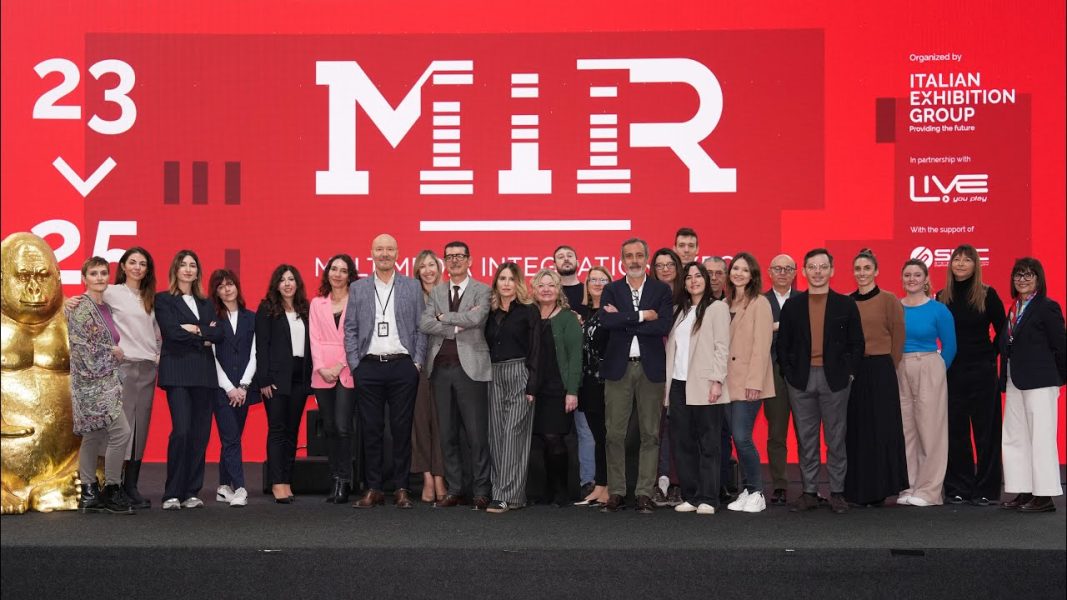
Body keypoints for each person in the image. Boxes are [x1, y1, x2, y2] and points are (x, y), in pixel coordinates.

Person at [777, 248, 864, 514]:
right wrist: (789, 374)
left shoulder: (846, 304)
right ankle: (809, 492)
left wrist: (850, 373)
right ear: (804, 272)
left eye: (823, 267)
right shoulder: (792, 306)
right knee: (806, 440)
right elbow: (783, 345)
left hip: (835, 380)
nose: (817, 272)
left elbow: (857, 343)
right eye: (812, 267)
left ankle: (837, 492)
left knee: (836, 439)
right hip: (800, 381)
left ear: (832, 270)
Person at [345, 234, 427, 509]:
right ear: (371, 252)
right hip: (368, 367)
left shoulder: (412, 286)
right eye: (379, 249)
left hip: (402, 365)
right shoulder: (358, 288)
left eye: (389, 249)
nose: (384, 253)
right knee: (371, 430)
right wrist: (355, 365)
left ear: (397, 253)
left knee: (401, 430)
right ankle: (374, 488)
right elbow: (351, 328)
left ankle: (402, 488)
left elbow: (421, 328)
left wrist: (416, 362)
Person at [599, 238, 673, 514]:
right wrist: (643, 316)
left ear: (647, 258)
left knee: (650, 434)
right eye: (628, 255)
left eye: (639, 255)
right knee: (614, 434)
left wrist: (625, 319)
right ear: (621, 260)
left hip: (650, 369)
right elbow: (606, 321)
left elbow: (663, 325)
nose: (634, 260)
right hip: (618, 369)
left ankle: (644, 492)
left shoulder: (661, 290)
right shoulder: (611, 289)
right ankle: (617, 492)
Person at [420, 241, 492, 510]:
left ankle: (481, 490)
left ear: (469, 260)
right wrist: (455, 325)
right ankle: (455, 489)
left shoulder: (482, 290)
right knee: (447, 434)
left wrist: (443, 317)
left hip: (470, 370)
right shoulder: (437, 291)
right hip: (440, 371)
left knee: (476, 435)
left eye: (460, 256)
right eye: (449, 257)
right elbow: (425, 323)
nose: (454, 260)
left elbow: (476, 319)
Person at [936, 245, 1007, 506]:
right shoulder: (941, 296)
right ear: (950, 264)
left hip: (982, 372)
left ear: (976, 265)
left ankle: (986, 489)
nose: (961, 263)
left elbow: (1004, 331)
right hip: (952, 372)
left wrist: (989, 355)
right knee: (955, 432)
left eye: (967, 260)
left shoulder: (988, 294)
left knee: (986, 433)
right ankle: (958, 487)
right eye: (957, 259)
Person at [155, 250, 224, 511]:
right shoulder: (164, 299)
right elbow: (172, 333)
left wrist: (193, 329)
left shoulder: (207, 303)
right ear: (175, 270)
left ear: (197, 272)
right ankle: (172, 493)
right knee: (182, 431)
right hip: (177, 373)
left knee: (200, 435)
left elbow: (219, 334)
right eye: (183, 265)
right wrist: (202, 334)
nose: (188, 269)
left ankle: (191, 492)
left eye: (192, 265)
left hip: (204, 375)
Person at [998, 258, 1065, 513]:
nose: (1022, 279)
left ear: (1039, 279)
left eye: (1028, 275)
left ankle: (1044, 496)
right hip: (1015, 380)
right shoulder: (1014, 308)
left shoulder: (1047, 307)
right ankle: (1023, 488)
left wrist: (1058, 378)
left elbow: (1061, 345)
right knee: (1016, 437)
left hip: (1041, 382)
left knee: (1041, 438)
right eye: (1018, 275)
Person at [843, 249, 907, 507]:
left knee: (882, 429)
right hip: (854, 372)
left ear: (876, 271)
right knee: (857, 429)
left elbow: (898, 337)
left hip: (881, 369)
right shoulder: (847, 301)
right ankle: (857, 489)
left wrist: (889, 365)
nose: (862, 273)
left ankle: (881, 488)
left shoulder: (889, 300)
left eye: (867, 268)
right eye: (858, 269)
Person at [665, 262, 730, 515]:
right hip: (678, 385)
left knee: (709, 443)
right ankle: (691, 496)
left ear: (706, 279)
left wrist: (717, 380)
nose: (694, 280)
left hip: (705, 384)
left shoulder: (717, 308)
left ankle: (709, 498)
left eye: (698, 276)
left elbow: (722, 346)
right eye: (689, 277)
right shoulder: (679, 311)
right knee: (683, 443)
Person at [69, 257, 133, 514]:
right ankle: (112, 489)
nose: (99, 278)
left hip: (106, 381)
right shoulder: (80, 307)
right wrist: (115, 354)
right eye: (94, 273)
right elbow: (82, 349)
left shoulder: (104, 306)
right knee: (121, 432)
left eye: (104, 273)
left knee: (93, 435)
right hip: (91, 384)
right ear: (84, 278)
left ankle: (88, 493)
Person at [897, 259, 956, 507]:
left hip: (929, 365)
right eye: (907, 274)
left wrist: (938, 370)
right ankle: (910, 486)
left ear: (925, 279)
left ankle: (930, 491)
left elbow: (950, 345)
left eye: (917, 275)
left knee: (931, 431)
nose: (912, 279)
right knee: (906, 430)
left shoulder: (938, 310)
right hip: (901, 367)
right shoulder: (895, 307)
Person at [483, 263, 541, 513]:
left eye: (511, 279)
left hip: (520, 372)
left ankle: (502, 495)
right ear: (496, 283)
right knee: (496, 436)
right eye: (502, 278)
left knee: (513, 434)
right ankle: (514, 496)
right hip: (493, 374)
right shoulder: (489, 312)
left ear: (518, 283)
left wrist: (532, 385)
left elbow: (536, 349)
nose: (506, 283)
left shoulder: (529, 310)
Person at [106, 247, 161, 509]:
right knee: (122, 428)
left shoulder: (150, 297)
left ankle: (131, 486)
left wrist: (158, 354)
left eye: (143, 263)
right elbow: (88, 310)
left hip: (148, 368)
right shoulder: (112, 292)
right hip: (124, 367)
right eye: (133, 262)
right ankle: (113, 486)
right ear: (123, 266)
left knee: (141, 428)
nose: (137, 267)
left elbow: (156, 331)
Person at [722, 252, 775, 514]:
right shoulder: (724, 303)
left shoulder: (760, 303)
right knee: (735, 437)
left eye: (745, 270)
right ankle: (746, 489)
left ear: (753, 275)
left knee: (743, 437)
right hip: (726, 383)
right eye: (735, 269)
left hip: (748, 383)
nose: (739, 273)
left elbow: (762, 347)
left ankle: (757, 491)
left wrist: (755, 382)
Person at [256, 264, 312, 504]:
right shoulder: (267, 308)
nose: (287, 284)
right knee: (277, 430)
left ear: (297, 283)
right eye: (282, 280)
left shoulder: (305, 309)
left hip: (300, 377)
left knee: (292, 431)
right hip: (276, 379)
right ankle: (277, 482)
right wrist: (264, 378)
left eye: (291, 279)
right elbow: (261, 345)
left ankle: (287, 480)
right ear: (276, 284)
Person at [530, 269, 583, 506]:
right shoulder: (530, 315)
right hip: (533, 389)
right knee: (540, 440)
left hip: (558, 388)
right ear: (534, 289)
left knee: (555, 439)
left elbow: (575, 358)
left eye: (551, 285)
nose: (546, 290)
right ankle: (545, 491)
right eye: (541, 285)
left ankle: (561, 491)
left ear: (558, 289)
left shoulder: (568, 318)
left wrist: (572, 391)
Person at [310, 254, 359, 504]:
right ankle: (335, 477)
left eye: (343, 270)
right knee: (329, 427)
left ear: (350, 276)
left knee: (342, 426)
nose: (337, 274)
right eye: (333, 269)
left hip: (347, 369)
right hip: (322, 372)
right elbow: (314, 337)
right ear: (327, 272)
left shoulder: (357, 302)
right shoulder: (317, 303)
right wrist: (321, 367)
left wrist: (340, 365)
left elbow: (357, 336)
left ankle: (345, 480)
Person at [208, 269, 257, 507]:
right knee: (231, 438)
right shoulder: (212, 318)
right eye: (221, 286)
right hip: (221, 390)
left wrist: (243, 386)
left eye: (230, 284)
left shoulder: (252, 317)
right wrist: (229, 388)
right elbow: (211, 356)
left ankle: (223, 486)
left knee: (232, 437)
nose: (227, 289)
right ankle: (239, 488)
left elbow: (256, 354)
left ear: (237, 286)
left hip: (244, 389)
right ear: (216, 292)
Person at [554, 243, 593, 497]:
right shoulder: (548, 292)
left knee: (585, 430)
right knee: (551, 433)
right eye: (560, 256)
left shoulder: (588, 290)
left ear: (578, 261)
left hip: (584, 371)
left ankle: (588, 482)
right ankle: (554, 488)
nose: (566, 259)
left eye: (570, 255)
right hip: (553, 372)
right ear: (554, 263)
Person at [410, 249, 447, 503]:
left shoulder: (448, 294)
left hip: (446, 365)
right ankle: (427, 477)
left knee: (442, 423)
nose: (427, 270)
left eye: (431, 265)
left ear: (439, 268)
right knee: (420, 423)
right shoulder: (411, 297)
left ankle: (440, 476)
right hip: (418, 366)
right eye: (422, 266)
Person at [573, 266, 611, 507]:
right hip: (586, 383)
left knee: (607, 436)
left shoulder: (612, 312)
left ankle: (609, 486)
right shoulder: (582, 313)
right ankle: (599, 485)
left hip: (606, 382)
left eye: (603, 280)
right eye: (593, 280)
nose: (597, 283)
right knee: (598, 436)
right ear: (586, 285)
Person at [763, 253, 797, 505]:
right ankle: (780, 484)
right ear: (769, 272)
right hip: (772, 369)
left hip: (803, 370)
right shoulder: (759, 301)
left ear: (795, 273)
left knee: (807, 432)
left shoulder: (806, 299)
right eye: (778, 268)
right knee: (776, 431)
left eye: (787, 268)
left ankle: (810, 485)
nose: (783, 273)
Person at [651, 247, 683, 506]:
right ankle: (659, 481)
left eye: (670, 264)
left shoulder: (688, 299)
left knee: (679, 427)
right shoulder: (647, 297)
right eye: (659, 265)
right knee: (656, 428)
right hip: (653, 370)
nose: (665, 269)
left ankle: (677, 482)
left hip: (682, 372)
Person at [704, 255, 735, 500]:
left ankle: (722, 482)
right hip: (698, 379)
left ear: (726, 277)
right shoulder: (691, 305)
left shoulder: (733, 304)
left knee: (724, 432)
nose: (713, 278)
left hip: (728, 378)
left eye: (719, 273)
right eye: (709, 273)